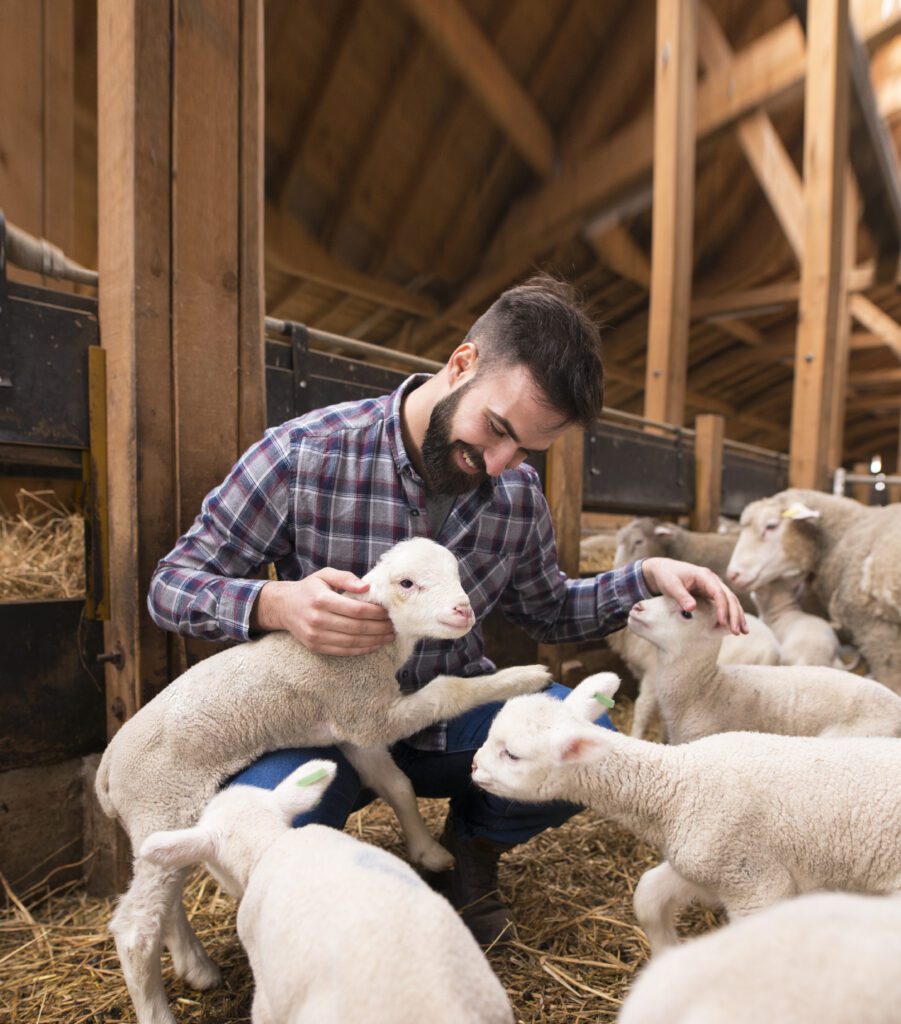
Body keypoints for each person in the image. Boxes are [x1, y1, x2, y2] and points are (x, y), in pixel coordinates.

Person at [148, 274, 746, 944]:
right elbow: (172, 585)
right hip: (323, 723)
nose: (497, 463)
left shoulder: (514, 493)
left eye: (524, 449)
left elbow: (547, 609)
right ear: (462, 363)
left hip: (446, 721)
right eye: (495, 430)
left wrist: (642, 575)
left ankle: (470, 852)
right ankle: (318, 930)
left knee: (584, 736)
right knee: (265, 824)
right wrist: (274, 602)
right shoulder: (305, 453)